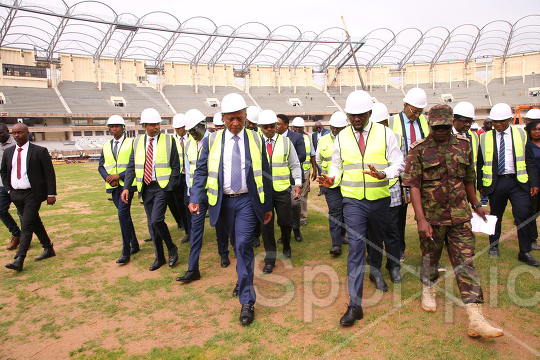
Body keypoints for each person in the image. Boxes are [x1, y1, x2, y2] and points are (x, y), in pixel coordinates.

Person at [404, 104, 504, 339]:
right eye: (437, 126)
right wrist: (420, 219)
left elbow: (468, 178)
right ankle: (428, 289)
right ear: (430, 125)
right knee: (431, 258)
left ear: (451, 124)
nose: (441, 130)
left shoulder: (464, 145)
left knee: (466, 263)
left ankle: (476, 317)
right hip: (431, 218)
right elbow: (413, 186)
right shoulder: (418, 149)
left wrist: (477, 204)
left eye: (446, 126)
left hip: (460, 217)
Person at [318, 90, 404, 325]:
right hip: (353, 201)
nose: (356, 119)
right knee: (356, 247)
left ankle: (375, 271)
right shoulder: (342, 137)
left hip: (380, 199)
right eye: (352, 115)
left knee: (376, 241)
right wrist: (331, 179)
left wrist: (383, 174)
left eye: (360, 115)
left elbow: (399, 163)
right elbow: (336, 166)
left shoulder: (386, 133)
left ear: (369, 113)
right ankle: (355, 305)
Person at [189, 93, 273, 325]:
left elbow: (265, 174)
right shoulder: (211, 140)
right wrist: (196, 196)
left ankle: (247, 301)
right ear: (223, 118)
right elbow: (201, 171)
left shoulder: (256, 139)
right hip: (223, 203)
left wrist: (267, 206)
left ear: (246, 116)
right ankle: (242, 277)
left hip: (247, 201)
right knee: (237, 245)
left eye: (239, 118)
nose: (235, 123)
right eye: (230, 119)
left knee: (244, 244)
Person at [477, 103, 539, 266]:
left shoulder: (521, 135)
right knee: (495, 215)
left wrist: (534, 182)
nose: (498, 124)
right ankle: (494, 245)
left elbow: (530, 160)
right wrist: (480, 185)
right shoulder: (484, 137)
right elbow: (480, 162)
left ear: (510, 120)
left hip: (518, 182)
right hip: (496, 182)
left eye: (502, 121)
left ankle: (524, 251)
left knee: (523, 214)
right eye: (495, 121)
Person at [121, 108, 180, 271]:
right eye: (153, 124)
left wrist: (171, 186)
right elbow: (131, 166)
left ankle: (171, 247)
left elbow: (176, 166)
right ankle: (159, 257)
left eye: (158, 124)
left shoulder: (169, 141)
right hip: (145, 187)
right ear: (144, 125)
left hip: (162, 186)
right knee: (152, 225)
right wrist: (127, 187)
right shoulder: (137, 142)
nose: (157, 127)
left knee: (156, 220)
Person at [176, 109, 231, 284]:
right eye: (189, 131)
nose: (191, 134)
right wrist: (190, 193)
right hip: (198, 196)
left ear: (203, 125)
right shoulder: (188, 145)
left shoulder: (216, 140)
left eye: (194, 130)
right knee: (195, 230)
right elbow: (189, 172)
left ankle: (224, 254)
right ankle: (193, 269)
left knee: (220, 226)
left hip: (215, 192)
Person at [1, 123, 57, 271]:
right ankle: (48, 248)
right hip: (15, 194)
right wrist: (8, 190)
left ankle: (20, 259)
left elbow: (49, 174)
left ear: (27, 133)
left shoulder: (39, 151)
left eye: (20, 133)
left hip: (33, 194)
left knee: (26, 225)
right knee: (34, 221)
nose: (17, 135)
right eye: (14, 133)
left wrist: (51, 193)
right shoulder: (8, 152)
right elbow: (4, 173)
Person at [388, 87, 429, 262]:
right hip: (400, 176)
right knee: (399, 216)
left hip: (422, 177)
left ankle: (428, 252)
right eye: (414, 111)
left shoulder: (425, 122)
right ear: (405, 105)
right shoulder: (391, 122)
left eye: (420, 112)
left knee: (426, 215)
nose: (417, 115)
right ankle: (399, 249)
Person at [259, 110, 302, 274]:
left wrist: (297, 183)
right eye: (265, 127)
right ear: (261, 127)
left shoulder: (286, 142)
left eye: (272, 126)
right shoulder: (257, 143)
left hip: (283, 189)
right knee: (266, 225)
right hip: (264, 192)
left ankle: (286, 243)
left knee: (285, 222)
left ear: (277, 126)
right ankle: (270, 259)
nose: (269, 129)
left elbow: (295, 164)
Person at [367, 103, 402, 283]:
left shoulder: (394, 137)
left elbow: (399, 163)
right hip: (371, 192)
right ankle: (375, 267)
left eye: (384, 123)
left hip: (391, 189)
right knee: (372, 233)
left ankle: (394, 266)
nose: (382, 128)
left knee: (392, 231)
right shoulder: (363, 140)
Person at [98, 115, 139, 264]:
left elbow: (134, 164)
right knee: (125, 216)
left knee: (122, 215)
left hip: (127, 185)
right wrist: (108, 177)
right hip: (113, 186)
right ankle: (134, 244)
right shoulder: (106, 146)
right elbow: (101, 166)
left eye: (117, 126)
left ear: (123, 128)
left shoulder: (132, 143)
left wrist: (118, 176)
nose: (114, 128)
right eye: (111, 126)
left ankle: (126, 251)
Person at [315, 112, 348, 256]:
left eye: (338, 128)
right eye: (333, 128)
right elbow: (318, 160)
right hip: (330, 184)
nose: (335, 130)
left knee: (346, 212)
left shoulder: (350, 139)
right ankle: (336, 245)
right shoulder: (322, 140)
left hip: (347, 182)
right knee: (335, 212)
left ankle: (341, 235)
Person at [276, 114, 306, 242]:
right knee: (282, 207)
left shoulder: (297, 137)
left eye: (278, 124)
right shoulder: (272, 138)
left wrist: (286, 161)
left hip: (293, 178)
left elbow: (303, 155)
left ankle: (296, 229)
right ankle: (284, 234)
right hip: (278, 179)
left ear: (286, 125)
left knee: (294, 204)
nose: (275, 126)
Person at [291, 117, 317, 226]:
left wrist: (314, 170)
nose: (297, 129)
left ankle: (303, 217)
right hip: (291, 171)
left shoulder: (308, 138)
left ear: (303, 128)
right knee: (292, 195)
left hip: (305, 170)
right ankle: (292, 217)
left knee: (304, 195)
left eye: (300, 128)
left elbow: (312, 155)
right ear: (292, 127)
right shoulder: (288, 138)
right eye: (295, 127)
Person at [0, 123, 21, 250]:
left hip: (18, 184)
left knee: (23, 213)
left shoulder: (17, 143)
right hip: (2, 184)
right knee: (1, 210)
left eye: (0, 133)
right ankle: (17, 234)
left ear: (7, 131)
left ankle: (25, 239)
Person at [171, 113, 190, 245]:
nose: (181, 130)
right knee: (180, 205)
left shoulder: (192, 139)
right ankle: (187, 231)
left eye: (182, 127)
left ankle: (192, 231)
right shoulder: (171, 141)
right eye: (178, 128)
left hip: (189, 176)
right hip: (177, 177)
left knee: (187, 203)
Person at [523, 108, 540, 251]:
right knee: (532, 211)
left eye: (539, 128)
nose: (537, 131)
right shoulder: (525, 143)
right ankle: (532, 239)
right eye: (534, 128)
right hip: (532, 183)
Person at [245, 106, 262, 247]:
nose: (250, 125)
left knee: (256, 208)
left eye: (253, 124)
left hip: (256, 178)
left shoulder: (259, 136)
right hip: (242, 177)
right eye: (249, 122)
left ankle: (256, 235)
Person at [312, 121, 330, 196]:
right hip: (318, 154)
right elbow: (313, 145)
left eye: (319, 127)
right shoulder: (313, 135)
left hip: (325, 155)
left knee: (325, 173)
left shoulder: (326, 132)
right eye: (317, 128)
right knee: (320, 173)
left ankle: (327, 188)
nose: (318, 129)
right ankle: (321, 190)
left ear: (322, 126)